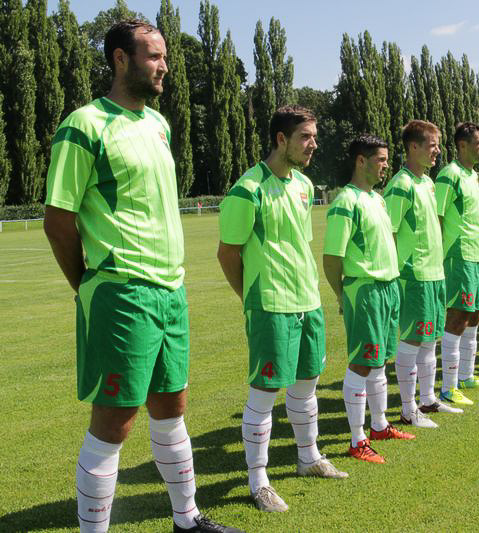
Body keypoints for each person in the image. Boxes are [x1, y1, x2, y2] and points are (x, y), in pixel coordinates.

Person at [44, 20, 242, 532]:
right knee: (115, 420)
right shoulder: (84, 125)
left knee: (172, 407)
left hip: (170, 288)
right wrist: (88, 283)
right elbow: (58, 219)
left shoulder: (158, 124)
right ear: (120, 59)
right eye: (153, 56)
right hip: (121, 289)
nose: (164, 67)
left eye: (165, 57)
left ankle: (187, 520)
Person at [218, 105, 348, 512]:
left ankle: (309, 458)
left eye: (314, 137)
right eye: (306, 137)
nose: (313, 144)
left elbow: (299, 245)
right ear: (281, 139)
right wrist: (252, 298)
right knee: (264, 393)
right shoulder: (248, 189)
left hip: (308, 300)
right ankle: (258, 482)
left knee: (307, 383)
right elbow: (227, 253)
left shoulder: (305, 186)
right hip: (271, 304)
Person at [323, 135, 415, 464]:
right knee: (362, 361)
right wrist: (341, 294)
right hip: (364, 289)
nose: (386, 165)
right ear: (361, 161)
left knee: (379, 360)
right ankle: (357, 439)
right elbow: (332, 257)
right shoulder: (346, 201)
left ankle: (379, 426)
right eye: (380, 160)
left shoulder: (377, 199)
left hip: (388, 286)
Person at [383, 120, 460, 424]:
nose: (437, 151)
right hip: (413, 275)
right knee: (411, 341)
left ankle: (427, 400)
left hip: (434, 273)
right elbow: (388, 232)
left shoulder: (427, 182)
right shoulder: (400, 185)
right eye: (432, 146)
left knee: (430, 340)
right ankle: (407, 409)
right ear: (413, 147)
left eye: (438, 145)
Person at [435, 122, 479, 406]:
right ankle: (448, 387)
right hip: (459, 255)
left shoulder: (473, 176)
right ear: (462, 145)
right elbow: (437, 215)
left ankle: (466, 375)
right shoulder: (449, 174)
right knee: (457, 317)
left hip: (477, 255)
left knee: (475, 315)